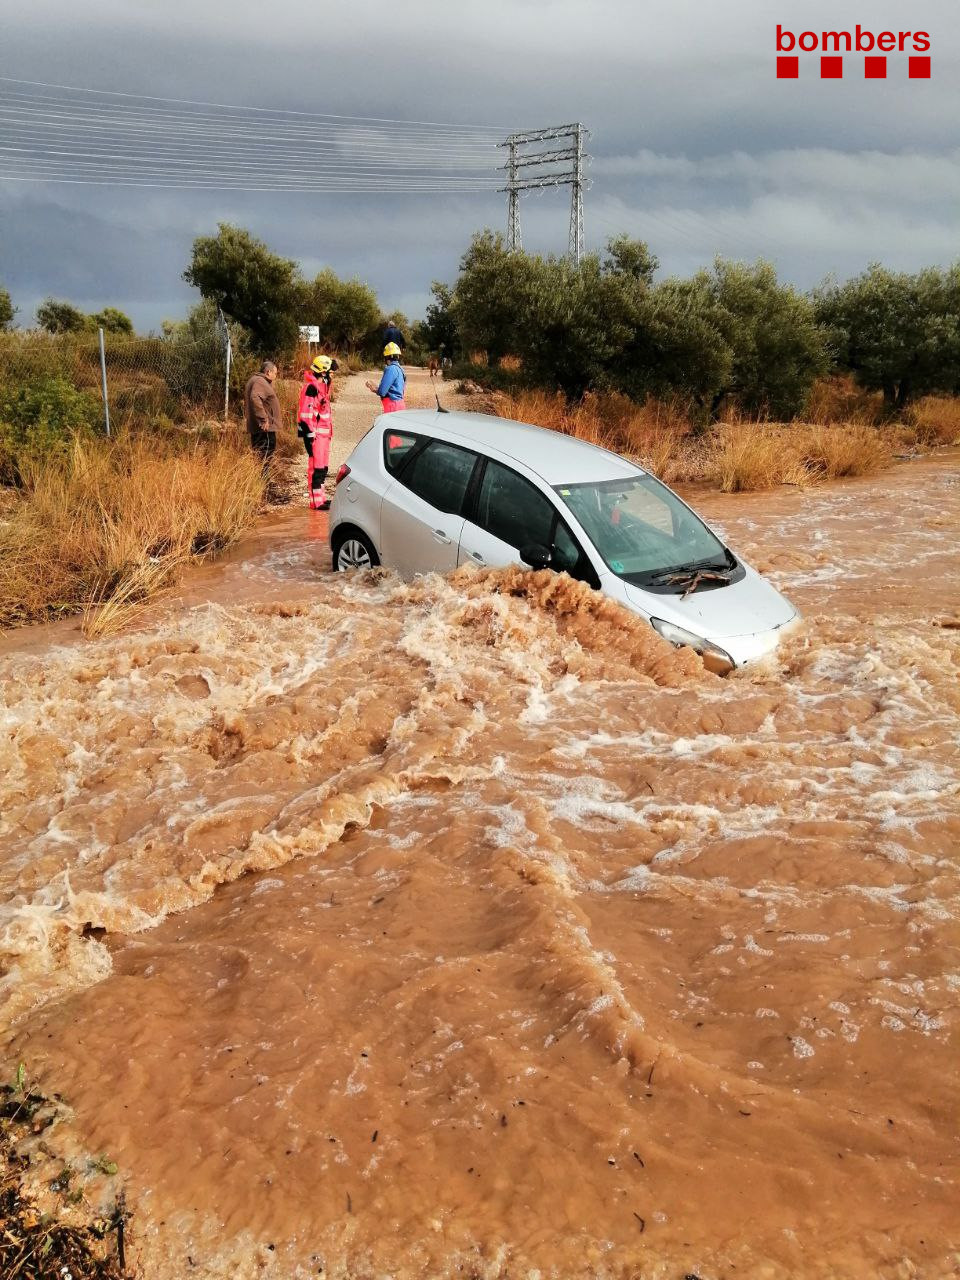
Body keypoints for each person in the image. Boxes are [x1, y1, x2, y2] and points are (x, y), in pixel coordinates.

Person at [297, 353, 338, 510]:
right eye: (330, 372)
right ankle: (316, 502)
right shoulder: (312, 388)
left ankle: (320, 498)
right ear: (323, 372)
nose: (332, 375)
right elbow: (306, 416)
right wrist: (310, 437)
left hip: (323, 435)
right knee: (316, 468)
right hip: (316, 436)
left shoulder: (322, 387)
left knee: (322, 468)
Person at [244, 361, 282, 460]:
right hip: (265, 428)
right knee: (266, 454)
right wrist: (263, 419)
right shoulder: (260, 381)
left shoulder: (256, 380)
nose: (275, 376)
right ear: (268, 372)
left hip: (260, 427)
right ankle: (264, 475)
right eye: (275, 373)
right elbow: (255, 398)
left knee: (260, 454)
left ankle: (259, 474)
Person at [366, 342, 406, 413]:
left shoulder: (390, 369)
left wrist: (373, 388)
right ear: (398, 356)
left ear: (387, 356)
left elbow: (382, 392)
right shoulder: (400, 369)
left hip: (392, 406)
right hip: (400, 405)